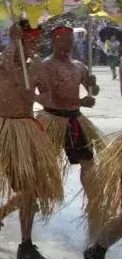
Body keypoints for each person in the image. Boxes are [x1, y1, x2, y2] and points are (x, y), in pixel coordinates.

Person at [0, 21, 63, 259]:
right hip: (7, 129)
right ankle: (24, 243)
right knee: (28, 188)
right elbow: (1, 66)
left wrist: (37, 96)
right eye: (30, 40)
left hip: (28, 126)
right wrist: (12, 41)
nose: (36, 44)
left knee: (32, 189)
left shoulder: (37, 65)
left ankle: (3, 220)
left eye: (36, 40)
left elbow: (47, 94)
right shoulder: (1, 61)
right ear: (20, 39)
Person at [34, 23, 101, 196]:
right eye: (63, 39)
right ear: (53, 41)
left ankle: (93, 202)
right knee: (44, 166)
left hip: (75, 119)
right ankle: (24, 201)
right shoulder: (47, 65)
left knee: (88, 163)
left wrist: (93, 86)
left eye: (70, 39)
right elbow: (52, 97)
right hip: (52, 119)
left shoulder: (79, 66)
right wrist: (80, 101)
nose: (68, 43)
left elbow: (93, 92)